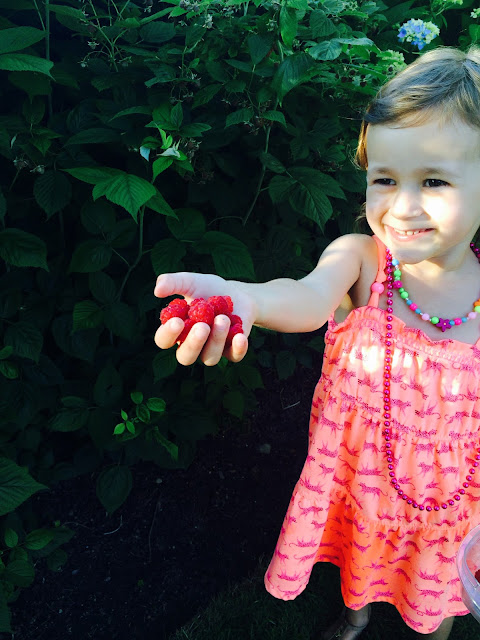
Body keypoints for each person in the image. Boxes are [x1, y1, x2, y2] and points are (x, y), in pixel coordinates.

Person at [153, 46, 480, 639]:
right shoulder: (362, 262)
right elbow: (306, 297)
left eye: (433, 180)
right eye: (384, 179)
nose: (402, 205)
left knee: (434, 600)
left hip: (450, 500)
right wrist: (248, 299)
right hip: (362, 475)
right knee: (359, 559)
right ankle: (356, 614)